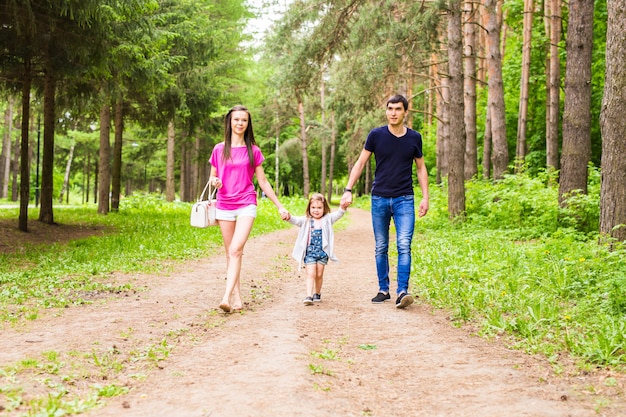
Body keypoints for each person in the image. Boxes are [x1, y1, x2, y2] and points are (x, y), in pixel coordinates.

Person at [340, 94, 429, 309]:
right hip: (379, 198)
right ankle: (383, 289)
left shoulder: (414, 138)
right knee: (381, 246)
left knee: (404, 245)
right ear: (386, 111)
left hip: (404, 199)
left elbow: (420, 167)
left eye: (398, 109)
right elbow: (361, 163)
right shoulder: (376, 135)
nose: (393, 113)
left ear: (405, 112)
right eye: (390, 109)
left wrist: (425, 197)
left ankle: (402, 291)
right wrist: (348, 189)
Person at [209, 105, 290, 313]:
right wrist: (215, 181)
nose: (239, 123)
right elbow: (212, 177)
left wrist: (279, 206)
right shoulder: (219, 149)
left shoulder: (254, 150)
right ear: (229, 122)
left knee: (236, 249)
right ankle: (236, 297)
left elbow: (262, 182)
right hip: (224, 204)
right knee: (230, 253)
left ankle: (225, 296)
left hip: (246, 203)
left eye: (243, 120)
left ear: (248, 124)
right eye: (236, 120)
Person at [286, 193, 347, 305]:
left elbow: (338, 214)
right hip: (310, 252)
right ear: (309, 208)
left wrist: (342, 207)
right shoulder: (306, 220)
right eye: (313, 207)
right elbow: (296, 220)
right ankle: (308, 296)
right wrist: (289, 217)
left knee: (319, 274)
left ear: (324, 208)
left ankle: (317, 293)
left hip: (322, 252)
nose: (316, 210)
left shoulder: (328, 219)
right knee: (310, 273)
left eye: (319, 208)